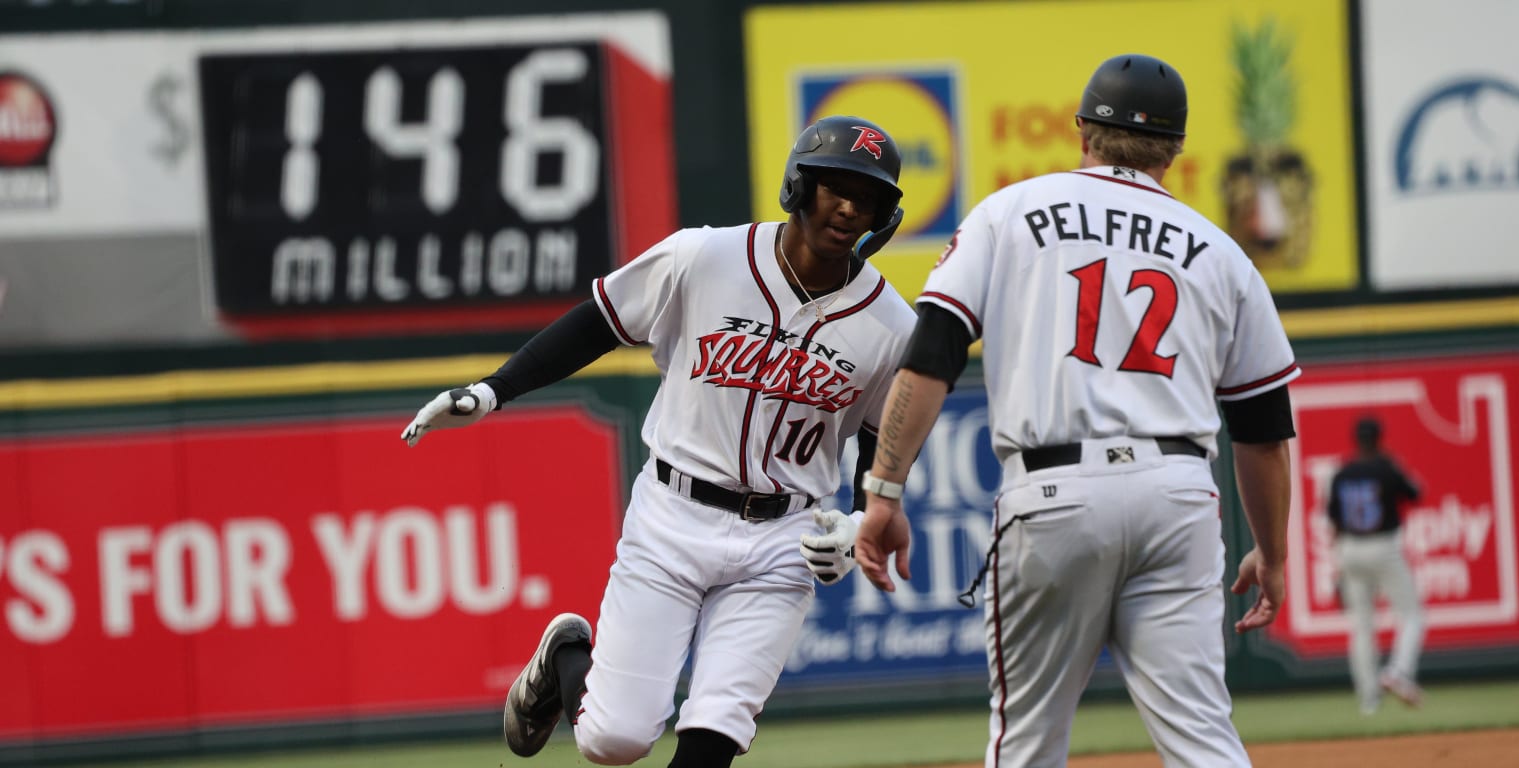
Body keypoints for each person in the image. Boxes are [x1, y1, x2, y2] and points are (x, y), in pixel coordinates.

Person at [400, 115, 916, 768]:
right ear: (799, 185)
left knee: (715, 734)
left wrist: (861, 518)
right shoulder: (705, 257)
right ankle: (565, 652)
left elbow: (882, 438)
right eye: (834, 187)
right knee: (613, 741)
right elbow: (599, 322)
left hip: (783, 539)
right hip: (673, 516)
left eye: (866, 196)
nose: (847, 207)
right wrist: (495, 389)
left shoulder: (891, 325)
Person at [852, 54, 1300, 767]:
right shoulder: (1222, 253)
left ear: (1083, 131)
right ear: (1175, 150)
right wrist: (1274, 555)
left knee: (1027, 742)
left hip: (1055, 491)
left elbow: (933, 352)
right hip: (1178, 495)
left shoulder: (1008, 211)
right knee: (1205, 742)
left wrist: (882, 490)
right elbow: (1264, 430)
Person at [1328, 415, 1425, 714]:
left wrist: (1337, 566)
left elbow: (1334, 521)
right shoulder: (1386, 467)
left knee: (1361, 625)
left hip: (1349, 549)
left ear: (1357, 440)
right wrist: (1396, 466)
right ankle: (1398, 672)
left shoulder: (1342, 472)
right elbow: (1415, 493)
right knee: (1412, 616)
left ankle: (1369, 699)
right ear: (1380, 438)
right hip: (1383, 546)